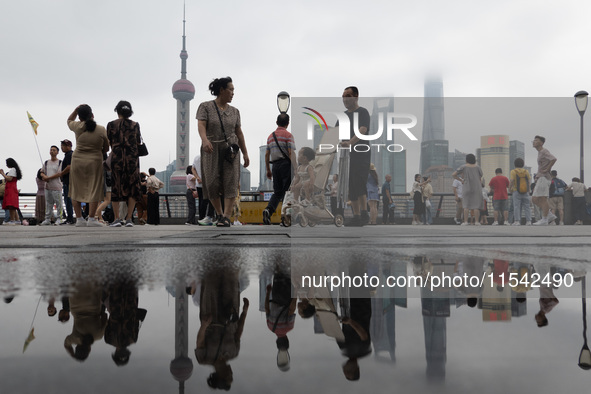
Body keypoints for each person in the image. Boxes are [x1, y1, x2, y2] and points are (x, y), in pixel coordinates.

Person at [196, 77, 250, 228]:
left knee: (230, 181)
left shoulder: (235, 112)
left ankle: (226, 217)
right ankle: (219, 213)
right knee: (211, 182)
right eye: (231, 89)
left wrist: (245, 153)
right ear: (221, 90)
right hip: (211, 148)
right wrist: (204, 140)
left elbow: (239, 133)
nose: (233, 93)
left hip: (230, 150)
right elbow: (201, 124)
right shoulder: (205, 107)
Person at [67, 104, 109, 227]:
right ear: (92, 115)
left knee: (75, 189)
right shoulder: (101, 129)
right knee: (95, 188)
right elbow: (106, 147)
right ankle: (91, 218)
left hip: (77, 160)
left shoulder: (77, 126)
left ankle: (79, 219)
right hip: (95, 161)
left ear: (79, 118)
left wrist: (75, 110)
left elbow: (69, 120)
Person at [107, 101, 143, 228]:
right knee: (133, 188)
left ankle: (117, 219)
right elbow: (138, 141)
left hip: (117, 159)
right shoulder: (135, 125)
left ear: (117, 111)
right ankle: (128, 219)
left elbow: (110, 142)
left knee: (116, 187)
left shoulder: (111, 125)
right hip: (132, 160)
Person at [339, 86, 370, 226]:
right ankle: (356, 216)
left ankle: (364, 213)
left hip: (361, 151)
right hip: (347, 155)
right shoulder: (343, 116)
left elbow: (363, 129)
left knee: (359, 181)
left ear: (356, 97)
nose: (345, 98)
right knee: (350, 183)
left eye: (348, 95)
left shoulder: (363, 112)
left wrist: (351, 142)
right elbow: (334, 132)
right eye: (343, 96)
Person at [263, 113, 296, 225]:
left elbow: (267, 155)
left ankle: (269, 210)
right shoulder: (288, 135)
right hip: (286, 165)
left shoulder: (270, 137)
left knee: (277, 193)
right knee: (288, 192)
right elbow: (291, 153)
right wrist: (296, 168)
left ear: (277, 122)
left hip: (275, 166)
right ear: (288, 123)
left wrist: (268, 169)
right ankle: (286, 218)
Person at [531, 136, 557, 226]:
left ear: (541, 143)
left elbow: (553, 159)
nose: (534, 142)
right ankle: (548, 215)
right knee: (534, 199)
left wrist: (547, 169)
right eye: (533, 140)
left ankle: (545, 218)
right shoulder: (540, 152)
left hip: (544, 177)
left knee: (542, 198)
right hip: (541, 177)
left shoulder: (544, 151)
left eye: (536, 140)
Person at [452, 154, 483, 226]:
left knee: (466, 205)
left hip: (466, 187)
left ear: (466, 160)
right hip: (476, 187)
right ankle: (477, 222)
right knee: (476, 206)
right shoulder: (478, 167)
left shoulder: (463, 167)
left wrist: (461, 180)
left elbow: (453, 174)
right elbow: (481, 175)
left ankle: (465, 221)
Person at [40, 145, 64, 225]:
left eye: (54, 150)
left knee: (59, 204)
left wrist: (48, 178)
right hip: (47, 187)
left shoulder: (60, 162)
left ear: (57, 152)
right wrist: (44, 176)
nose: (52, 151)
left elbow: (59, 174)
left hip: (57, 186)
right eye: (51, 150)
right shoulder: (46, 162)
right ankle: (47, 219)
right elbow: (41, 172)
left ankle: (59, 219)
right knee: (48, 204)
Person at [192, 154, 216, 225]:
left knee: (201, 201)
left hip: (199, 183)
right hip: (208, 182)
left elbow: (193, 169)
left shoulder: (196, 157)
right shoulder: (210, 156)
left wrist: (197, 177)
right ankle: (209, 217)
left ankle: (201, 218)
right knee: (212, 200)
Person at [509, 157, 532, 226]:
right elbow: (529, 181)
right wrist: (528, 190)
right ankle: (528, 221)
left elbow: (512, 181)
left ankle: (517, 221)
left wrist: (510, 188)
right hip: (525, 191)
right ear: (523, 164)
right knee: (527, 206)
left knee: (516, 206)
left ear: (515, 164)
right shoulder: (526, 171)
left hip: (516, 191)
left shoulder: (513, 171)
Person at [0, 158, 22, 225]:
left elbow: (9, 179)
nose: (6, 165)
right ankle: (17, 220)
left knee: (10, 205)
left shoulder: (12, 169)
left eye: (7, 164)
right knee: (13, 205)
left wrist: (2, 174)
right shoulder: (15, 169)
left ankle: (12, 220)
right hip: (13, 188)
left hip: (10, 189)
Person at [60, 139, 75, 224]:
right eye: (62, 145)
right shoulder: (67, 155)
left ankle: (70, 218)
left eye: (64, 145)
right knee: (69, 199)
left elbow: (69, 167)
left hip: (69, 181)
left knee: (68, 200)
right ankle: (72, 217)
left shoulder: (69, 154)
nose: (62, 147)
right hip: (68, 181)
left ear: (69, 146)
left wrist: (61, 173)